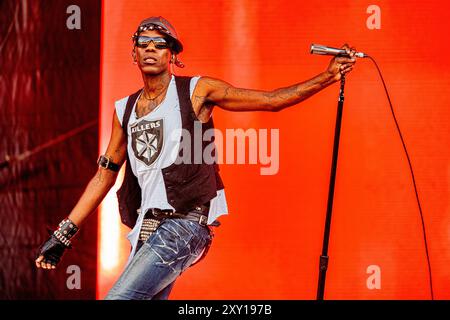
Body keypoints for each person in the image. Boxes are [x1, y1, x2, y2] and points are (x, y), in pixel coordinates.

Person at [35, 16, 357, 300]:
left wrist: (327, 77)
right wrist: (64, 233)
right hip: (147, 231)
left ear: (173, 53)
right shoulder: (125, 110)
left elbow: (271, 100)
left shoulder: (196, 91)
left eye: (159, 44)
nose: (150, 49)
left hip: (184, 226)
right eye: (142, 43)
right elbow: (105, 175)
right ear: (133, 53)